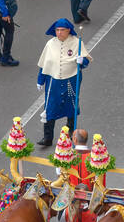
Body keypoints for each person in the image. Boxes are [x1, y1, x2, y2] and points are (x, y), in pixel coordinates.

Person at [36, 19, 91, 148]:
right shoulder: (50, 44)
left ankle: (71, 131)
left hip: (71, 79)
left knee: (71, 104)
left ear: (68, 31)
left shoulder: (77, 43)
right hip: (53, 81)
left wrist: (82, 60)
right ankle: (47, 137)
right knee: (50, 107)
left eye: (62, 30)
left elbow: (86, 61)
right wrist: (40, 80)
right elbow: (44, 63)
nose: (59, 32)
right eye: (57, 30)